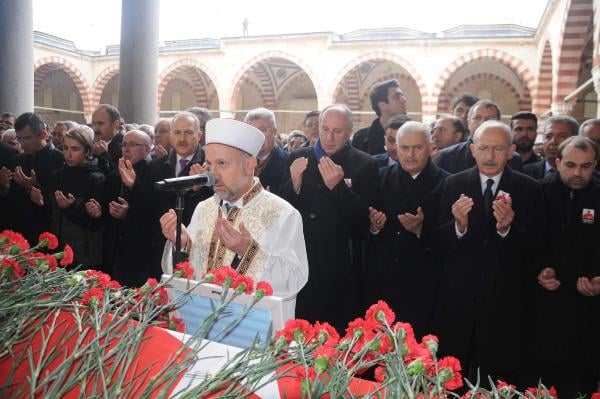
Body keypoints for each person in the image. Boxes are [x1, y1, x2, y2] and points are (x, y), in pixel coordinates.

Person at [160, 118, 308, 320]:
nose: (213, 174)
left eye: (222, 164)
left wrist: (248, 251)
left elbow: (294, 280)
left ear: (249, 165)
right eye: (209, 164)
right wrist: (183, 244)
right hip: (201, 324)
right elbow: (191, 276)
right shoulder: (204, 209)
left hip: (252, 334)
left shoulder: (282, 214)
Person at [435, 120, 543, 384]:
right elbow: (436, 239)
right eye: (483, 148)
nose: (490, 156)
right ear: (472, 150)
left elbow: (537, 244)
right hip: (459, 303)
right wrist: (458, 226)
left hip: (505, 303)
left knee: (498, 379)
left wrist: (508, 229)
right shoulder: (453, 184)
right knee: (453, 377)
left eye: (498, 149)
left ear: (511, 151)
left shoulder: (529, 188)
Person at [281, 104, 379, 332]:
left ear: (349, 133)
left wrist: (338, 189)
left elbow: (364, 220)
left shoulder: (365, 164)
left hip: (339, 268)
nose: (329, 137)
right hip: (301, 261)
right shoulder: (297, 158)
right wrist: (293, 184)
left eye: (337, 131)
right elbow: (282, 211)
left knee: (334, 336)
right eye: (325, 129)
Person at [525, 136, 600, 398]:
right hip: (544, 309)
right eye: (570, 165)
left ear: (595, 165)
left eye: (586, 166)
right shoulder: (537, 192)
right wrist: (541, 269)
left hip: (588, 314)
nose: (578, 173)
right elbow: (528, 241)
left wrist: (597, 276)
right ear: (557, 163)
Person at [364, 121, 448, 337]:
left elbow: (454, 236)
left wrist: (422, 229)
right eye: (404, 148)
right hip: (383, 280)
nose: (410, 154)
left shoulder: (447, 183)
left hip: (424, 284)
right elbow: (361, 227)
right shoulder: (379, 177)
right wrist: (374, 226)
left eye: (418, 148)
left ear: (430, 148)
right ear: (394, 148)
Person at [143, 111, 213, 275]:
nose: (182, 139)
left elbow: (217, 207)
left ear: (199, 134)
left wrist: (199, 188)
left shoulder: (209, 165)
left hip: (194, 249)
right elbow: (147, 207)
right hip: (159, 248)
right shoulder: (156, 166)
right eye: (177, 132)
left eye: (188, 132)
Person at [30, 126, 105, 268]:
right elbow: (49, 216)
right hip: (56, 252)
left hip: (84, 256)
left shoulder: (96, 178)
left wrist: (70, 208)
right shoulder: (56, 176)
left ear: (87, 151)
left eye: (75, 149)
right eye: (65, 148)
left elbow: (95, 224)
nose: (69, 154)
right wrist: (40, 204)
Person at [96, 130, 154, 285]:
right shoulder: (116, 174)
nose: (126, 149)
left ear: (147, 149)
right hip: (115, 249)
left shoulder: (153, 172)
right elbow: (106, 207)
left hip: (140, 254)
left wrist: (127, 213)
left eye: (133, 145)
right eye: (124, 145)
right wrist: (97, 209)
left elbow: (152, 213)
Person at [11, 112, 65, 244]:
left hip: (47, 233)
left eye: (27, 138)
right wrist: (5, 186)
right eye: (19, 139)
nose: (22, 144)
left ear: (42, 135)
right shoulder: (17, 160)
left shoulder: (60, 159)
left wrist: (32, 186)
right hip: (20, 231)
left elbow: (58, 201)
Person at [434, 100, 523, 174]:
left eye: (489, 119)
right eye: (477, 118)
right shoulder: (446, 157)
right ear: (468, 123)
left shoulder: (513, 159)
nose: (482, 123)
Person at [351, 79, 407, 155]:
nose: (404, 100)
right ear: (382, 105)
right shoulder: (361, 138)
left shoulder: (414, 133)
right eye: (397, 96)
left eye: (402, 95)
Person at [244, 108, 290, 194]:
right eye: (252, 131)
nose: (257, 136)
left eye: (263, 130)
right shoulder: (241, 162)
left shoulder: (289, 162)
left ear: (275, 132)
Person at [523, 115, 578, 180]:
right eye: (548, 136)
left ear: (575, 139)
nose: (553, 142)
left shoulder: (581, 175)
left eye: (562, 136)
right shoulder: (525, 172)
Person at [92, 104, 123, 174]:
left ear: (115, 124)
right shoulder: (92, 144)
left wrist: (103, 155)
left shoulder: (124, 147)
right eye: (93, 124)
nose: (95, 128)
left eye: (100, 123)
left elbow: (118, 178)